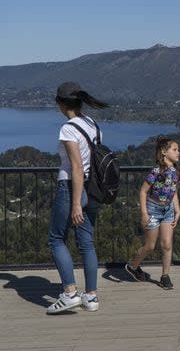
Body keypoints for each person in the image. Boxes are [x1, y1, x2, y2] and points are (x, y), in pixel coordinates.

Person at [46, 82, 109, 314]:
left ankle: (70, 293)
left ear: (61, 103)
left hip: (72, 188)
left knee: (56, 239)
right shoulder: (93, 124)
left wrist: (75, 204)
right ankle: (91, 297)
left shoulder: (69, 128)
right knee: (86, 242)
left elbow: (75, 167)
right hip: (93, 189)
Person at [125, 138, 180, 289]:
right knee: (150, 246)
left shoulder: (175, 172)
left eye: (178, 150)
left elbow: (173, 191)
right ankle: (133, 265)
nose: (178, 152)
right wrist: (144, 213)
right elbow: (143, 191)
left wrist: (177, 209)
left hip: (168, 210)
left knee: (167, 244)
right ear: (164, 152)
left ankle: (165, 276)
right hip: (153, 210)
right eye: (175, 149)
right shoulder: (156, 171)